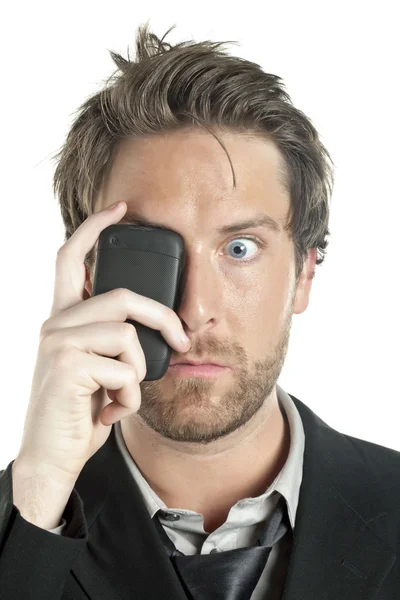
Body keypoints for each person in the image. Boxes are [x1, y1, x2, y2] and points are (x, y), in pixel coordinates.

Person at [0, 21, 399, 600]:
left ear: (304, 274)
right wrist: (38, 490)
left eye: (240, 248)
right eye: (151, 252)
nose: (194, 310)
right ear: (87, 274)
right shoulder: (22, 524)